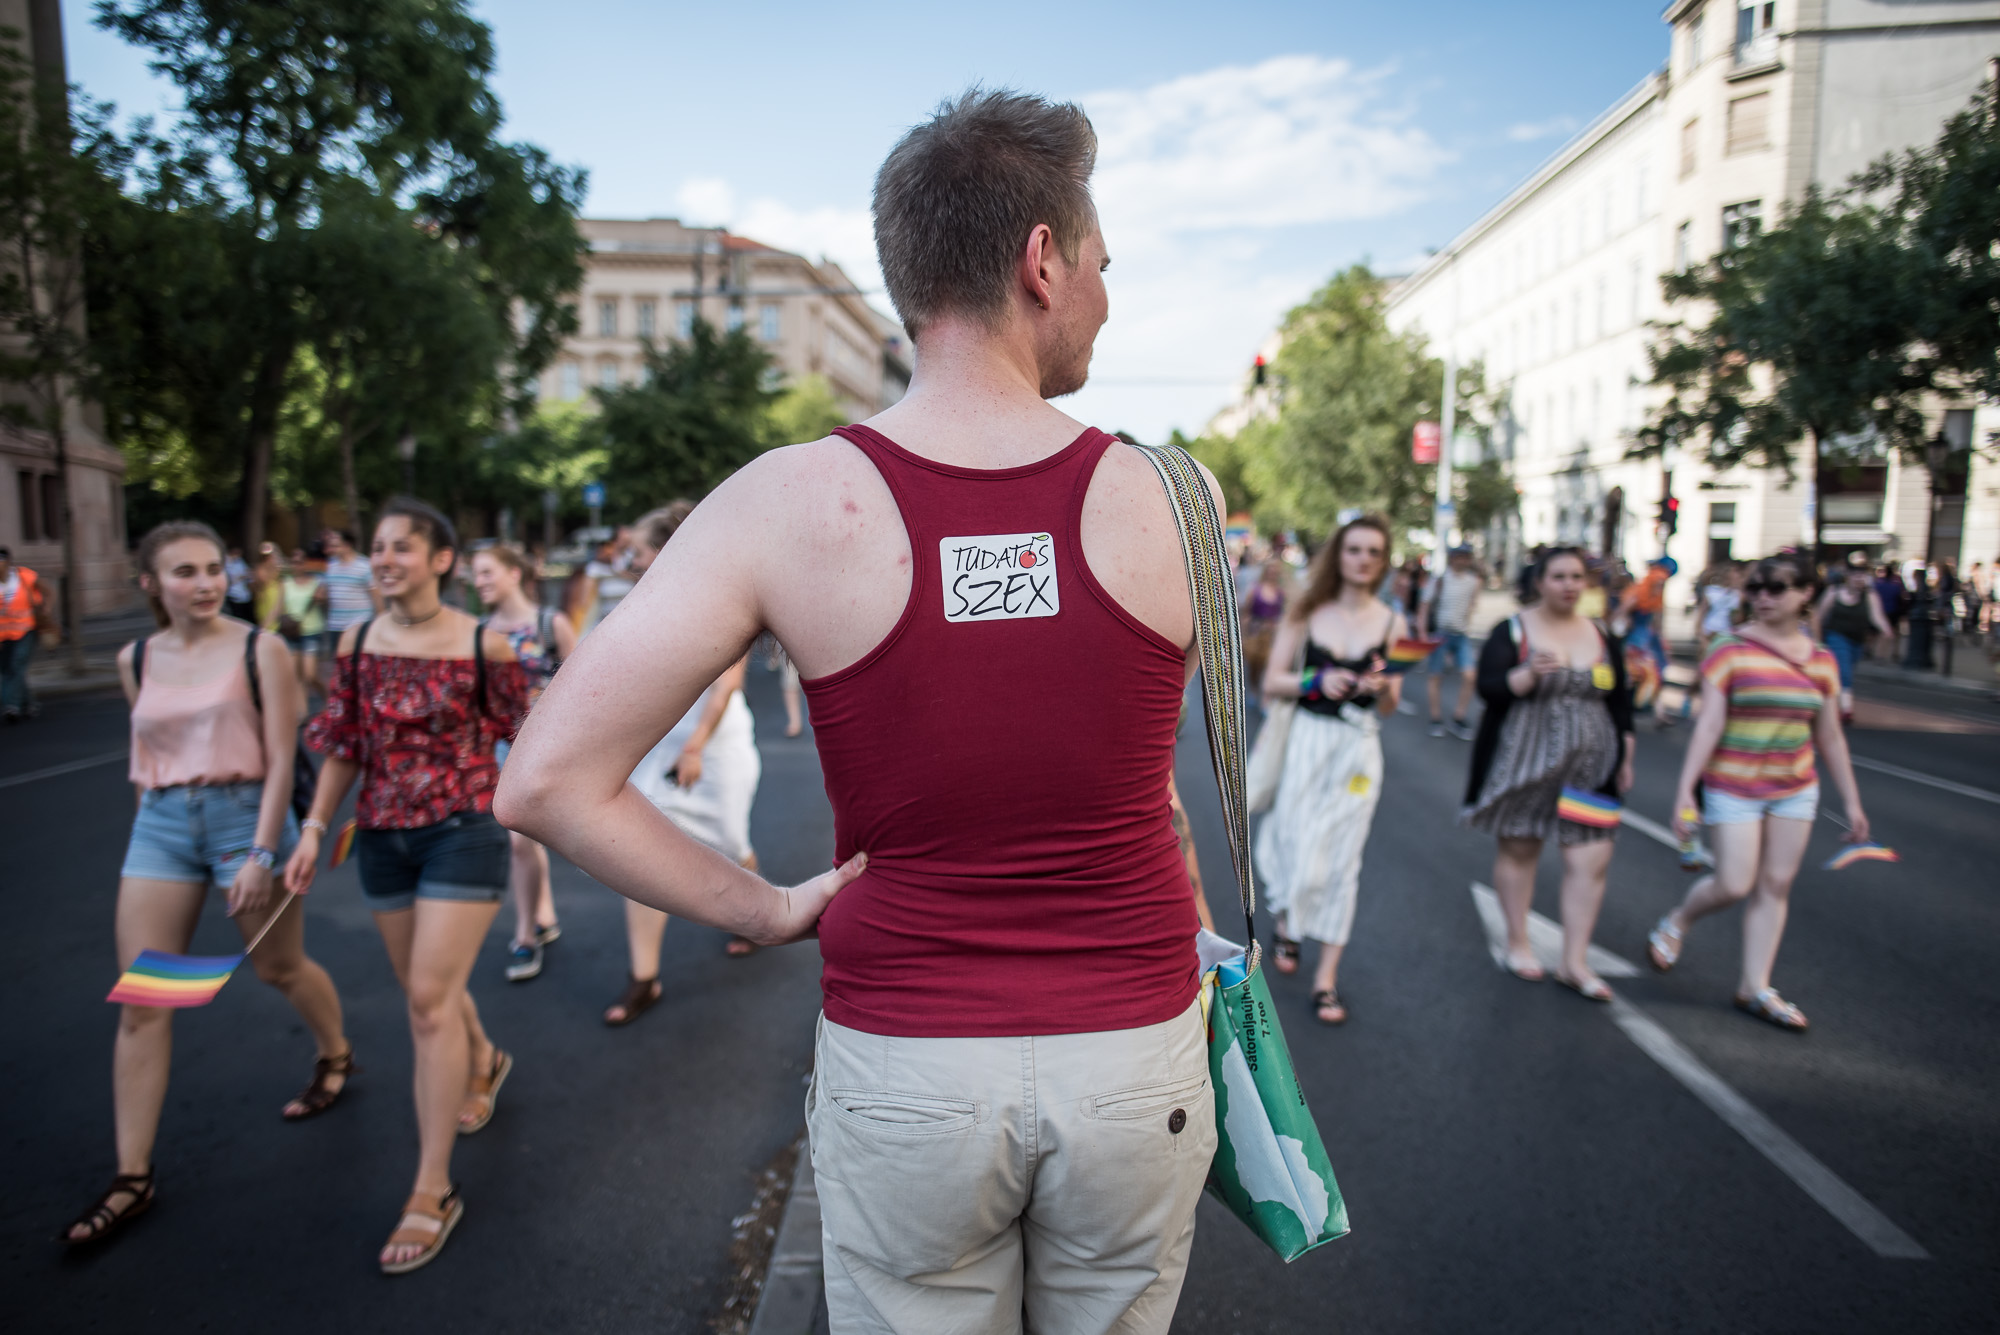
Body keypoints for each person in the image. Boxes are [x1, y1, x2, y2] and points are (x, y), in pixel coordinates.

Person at [500, 89, 1222, 1334]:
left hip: (908, 1058)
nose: (1106, 297)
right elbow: (1139, 777)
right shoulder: (1176, 497)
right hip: (1131, 1042)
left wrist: (770, 909)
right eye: (1102, 265)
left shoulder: (783, 502)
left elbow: (544, 781)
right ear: (1041, 262)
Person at [63, 521, 352, 1248]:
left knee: (276, 966)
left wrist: (261, 851)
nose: (205, 583)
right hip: (161, 825)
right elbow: (144, 751)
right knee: (146, 999)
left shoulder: (261, 648)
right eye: (185, 572)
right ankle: (132, 1176)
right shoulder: (136, 658)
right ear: (151, 584)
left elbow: (282, 757)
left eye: (213, 569)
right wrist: (148, 836)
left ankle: (335, 1051)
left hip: (244, 817)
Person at [285, 498, 528, 1274]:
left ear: (440, 560)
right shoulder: (355, 641)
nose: (385, 559)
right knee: (429, 988)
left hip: (463, 829)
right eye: (379, 548)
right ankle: (484, 1055)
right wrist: (314, 827)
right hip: (382, 837)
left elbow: (528, 735)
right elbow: (344, 743)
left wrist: (540, 815)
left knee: (426, 999)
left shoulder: (485, 644)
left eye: (402, 547)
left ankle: (431, 1187)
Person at [1650, 553, 1869, 1031]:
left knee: (1775, 885)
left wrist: (1852, 803)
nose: (1763, 597)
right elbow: (1709, 724)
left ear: (1806, 594)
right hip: (1733, 784)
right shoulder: (1729, 648)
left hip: (1795, 788)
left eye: (1776, 588)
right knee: (1734, 883)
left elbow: (1830, 736)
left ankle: (1755, 985)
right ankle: (1678, 920)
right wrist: (1686, 790)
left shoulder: (1822, 660)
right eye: (1756, 589)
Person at [601, 503, 767, 1025]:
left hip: (713, 745)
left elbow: (726, 686)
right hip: (660, 747)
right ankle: (643, 978)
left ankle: (755, 914)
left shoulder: (723, 601)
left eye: (639, 551)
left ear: (665, 550)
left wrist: (694, 746)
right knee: (641, 853)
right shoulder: (639, 607)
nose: (631, 560)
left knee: (728, 842)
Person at [1464, 547, 1636, 999]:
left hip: (1593, 765)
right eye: (1559, 576)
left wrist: (1626, 756)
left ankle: (1574, 962)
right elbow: (1489, 689)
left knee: (1590, 859)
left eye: (1577, 577)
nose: (1569, 585)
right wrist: (1526, 673)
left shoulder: (1601, 633)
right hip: (1526, 759)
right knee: (1521, 847)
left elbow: (1621, 702)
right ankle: (1518, 942)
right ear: (1539, 582)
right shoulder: (1513, 630)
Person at [1256, 514, 1404, 1024]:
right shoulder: (1306, 612)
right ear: (1339, 555)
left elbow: (1392, 705)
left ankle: (1326, 980)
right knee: (1295, 840)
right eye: (1354, 549)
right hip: (1307, 738)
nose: (1363, 559)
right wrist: (1318, 680)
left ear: (1383, 562)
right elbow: (1273, 681)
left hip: (1358, 748)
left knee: (1343, 856)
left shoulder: (1393, 624)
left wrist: (1381, 688)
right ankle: (1288, 923)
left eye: (1374, 552)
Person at [468, 543, 578, 982]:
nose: (478, 582)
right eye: (475, 574)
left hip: (546, 749)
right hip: (500, 749)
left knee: (522, 840)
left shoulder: (550, 623)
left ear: (514, 573)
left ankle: (527, 933)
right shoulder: (476, 632)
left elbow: (582, 687)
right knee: (522, 839)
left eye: (486, 572)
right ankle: (537, 921)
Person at [1812, 555, 1892, 719]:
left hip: (1857, 640)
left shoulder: (1869, 596)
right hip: (1836, 637)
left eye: (1862, 575)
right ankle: (1846, 708)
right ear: (1848, 576)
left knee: (1844, 671)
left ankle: (1831, 701)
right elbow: (1819, 615)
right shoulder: (1834, 592)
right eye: (1855, 575)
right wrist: (1817, 641)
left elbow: (1877, 616)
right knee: (1844, 671)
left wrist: (1886, 629)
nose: (1858, 579)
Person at [1420, 545, 1481, 739]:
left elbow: (1471, 606)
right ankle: (1435, 718)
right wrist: (1423, 634)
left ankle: (1459, 717)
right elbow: (1424, 606)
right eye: (1459, 556)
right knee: (1435, 676)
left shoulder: (1473, 582)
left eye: (1465, 557)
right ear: (1452, 558)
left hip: (1461, 635)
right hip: (1440, 634)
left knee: (1470, 676)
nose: (1462, 560)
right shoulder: (1439, 580)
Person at [1618, 556, 1675, 728]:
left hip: (1648, 642)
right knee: (1633, 675)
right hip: (1634, 642)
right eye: (1658, 584)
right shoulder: (1636, 595)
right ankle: (1625, 708)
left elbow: (1657, 624)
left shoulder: (1655, 600)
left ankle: (1659, 713)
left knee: (1655, 675)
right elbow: (1621, 613)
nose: (1660, 588)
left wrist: (1662, 642)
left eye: (1662, 585)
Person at [318, 528, 377, 688]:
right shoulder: (330, 566)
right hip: (335, 626)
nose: (332, 548)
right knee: (339, 668)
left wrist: (379, 620)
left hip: (358, 626)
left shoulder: (364, 566)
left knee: (360, 666)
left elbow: (376, 595)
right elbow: (325, 592)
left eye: (335, 545)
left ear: (347, 545)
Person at [0, 545, 48, 721]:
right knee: (8, 670)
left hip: (26, 630)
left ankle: (10, 705)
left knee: (17, 665)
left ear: (7, 562)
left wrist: (47, 609)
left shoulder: (24, 576)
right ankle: (29, 704)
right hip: (3, 635)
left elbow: (48, 592)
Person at [279, 549, 327, 703]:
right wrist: (264, 628)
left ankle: (327, 696)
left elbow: (325, 605)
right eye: (294, 562)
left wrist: (321, 598)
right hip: (292, 632)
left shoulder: (316, 582)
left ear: (305, 564)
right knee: (295, 675)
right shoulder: (285, 583)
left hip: (311, 631)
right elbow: (278, 608)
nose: (297, 566)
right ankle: (303, 712)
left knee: (309, 675)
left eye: (300, 562)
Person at [1238, 556, 1290, 692]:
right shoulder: (1255, 589)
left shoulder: (1281, 592)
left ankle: (1263, 692)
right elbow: (1246, 613)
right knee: (1254, 665)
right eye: (1270, 569)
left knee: (1268, 666)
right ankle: (1253, 690)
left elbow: (1283, 614)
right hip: (1255, 633)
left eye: (1275, 570)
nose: (1272, 572)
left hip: (1272, 636)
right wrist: (1242, 634)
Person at [223, 546, 254, 622]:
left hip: (244, 596)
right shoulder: (225, 563)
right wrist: (240, 577)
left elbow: (247, 573)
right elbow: (228, 581)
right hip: (233, 596)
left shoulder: (240, 561)